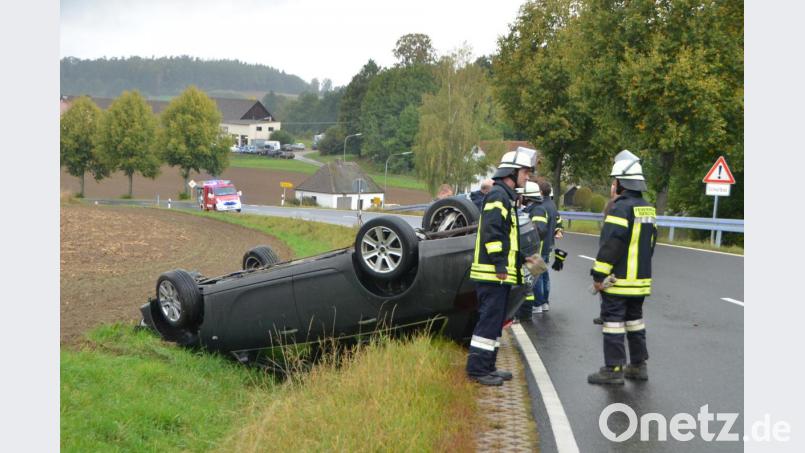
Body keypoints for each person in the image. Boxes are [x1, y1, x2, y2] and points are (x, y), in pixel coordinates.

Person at [467, 147, 537, 386]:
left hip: (500, 274)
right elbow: (493, 234)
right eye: (525, 172)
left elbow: (509, 239)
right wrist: (499, 264)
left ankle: (488, 366)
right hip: (492, 274)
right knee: (488, 321)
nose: (527, 177)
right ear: (512, 172)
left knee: (496, 322)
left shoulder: (505, 197)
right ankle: (477, 370)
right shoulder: (498, 196)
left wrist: (518, 262)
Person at [587, 150, 658, 385]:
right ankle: (638, 366)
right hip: (640, 281)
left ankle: (613, 369)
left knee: (614, 323)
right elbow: (650, 244)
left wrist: (598, 275)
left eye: (614, 181)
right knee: (635, 321)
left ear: (620, 183)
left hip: (618, 281)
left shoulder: (619, 209)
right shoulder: (648, 208)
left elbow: (611, 244)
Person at [514, 181, 549, 320]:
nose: (520, 197)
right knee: (526, 284)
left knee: (528, 284)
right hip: (528, 252)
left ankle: (525, 313)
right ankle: (524, 312)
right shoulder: (531, 209)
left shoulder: (538, 210)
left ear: (527, 196)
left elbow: (539, 230)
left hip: (531, 252)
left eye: (522, 195)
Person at [533, 178, 564, 313]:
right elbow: (559, 221)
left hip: (540, 245)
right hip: (549, 245)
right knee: (545, 274)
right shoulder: (552, 205)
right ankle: (545, 302)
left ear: (540, 192)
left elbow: (538, 228)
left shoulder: (541, 207)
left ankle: (538, 304)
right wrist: (558, 231)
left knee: (537, 275)